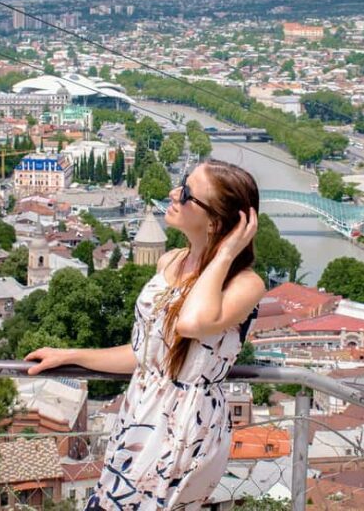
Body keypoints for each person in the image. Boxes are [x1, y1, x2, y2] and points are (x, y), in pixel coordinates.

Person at [24, 159, 265, 510]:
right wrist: (73, 355)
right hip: (139, 412)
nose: (173, 193)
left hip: (186, 426)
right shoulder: (169, 262)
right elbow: (146, 355)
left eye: (186, 193)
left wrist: (226, 252)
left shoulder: (245, 285)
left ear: (214, 221)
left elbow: (191, 323)